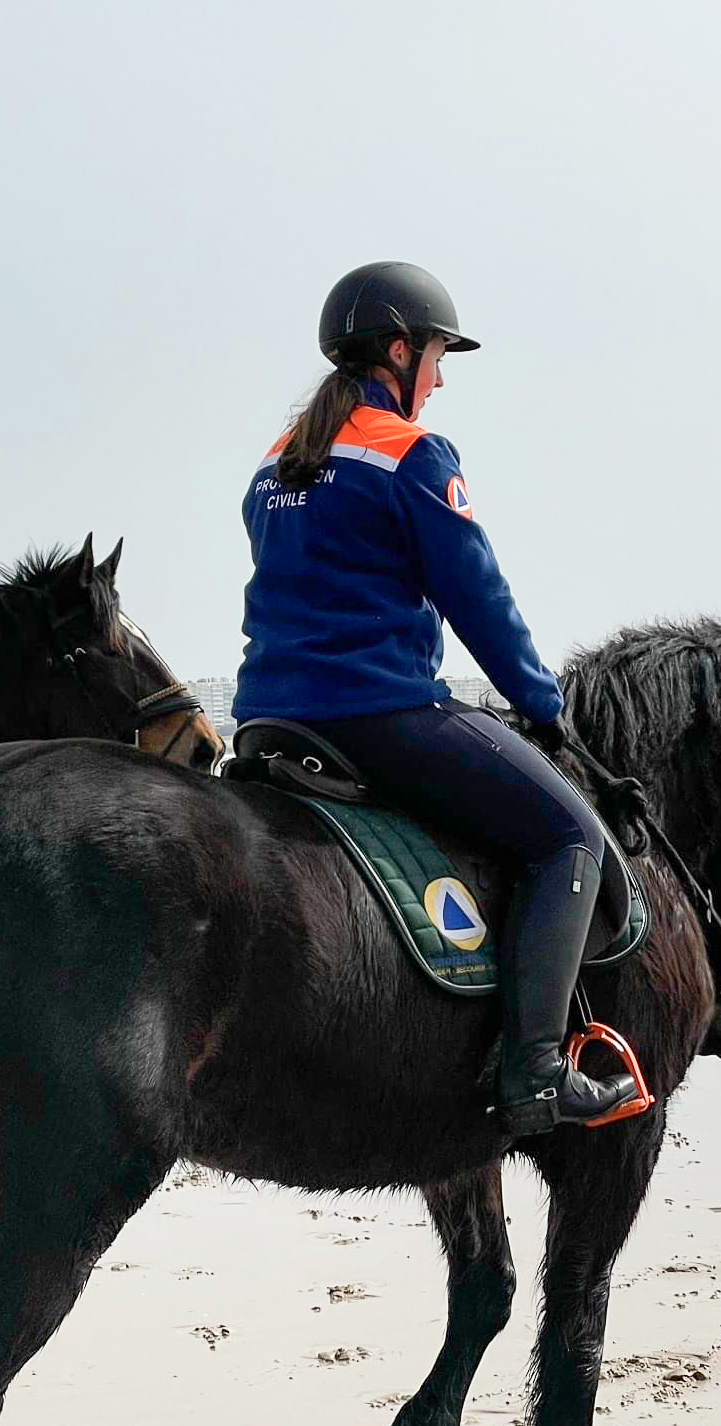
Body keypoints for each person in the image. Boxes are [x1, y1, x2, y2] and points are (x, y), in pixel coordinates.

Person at [234, 262, 639, 1134]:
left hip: (270, 713)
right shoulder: (411, 455)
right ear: (397, 349)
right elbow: (477, 595)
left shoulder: (277, 462)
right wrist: (543, 706)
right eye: (437, 355)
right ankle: (534, 1072)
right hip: (376, 713)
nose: (442, 376)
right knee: (569, 836)